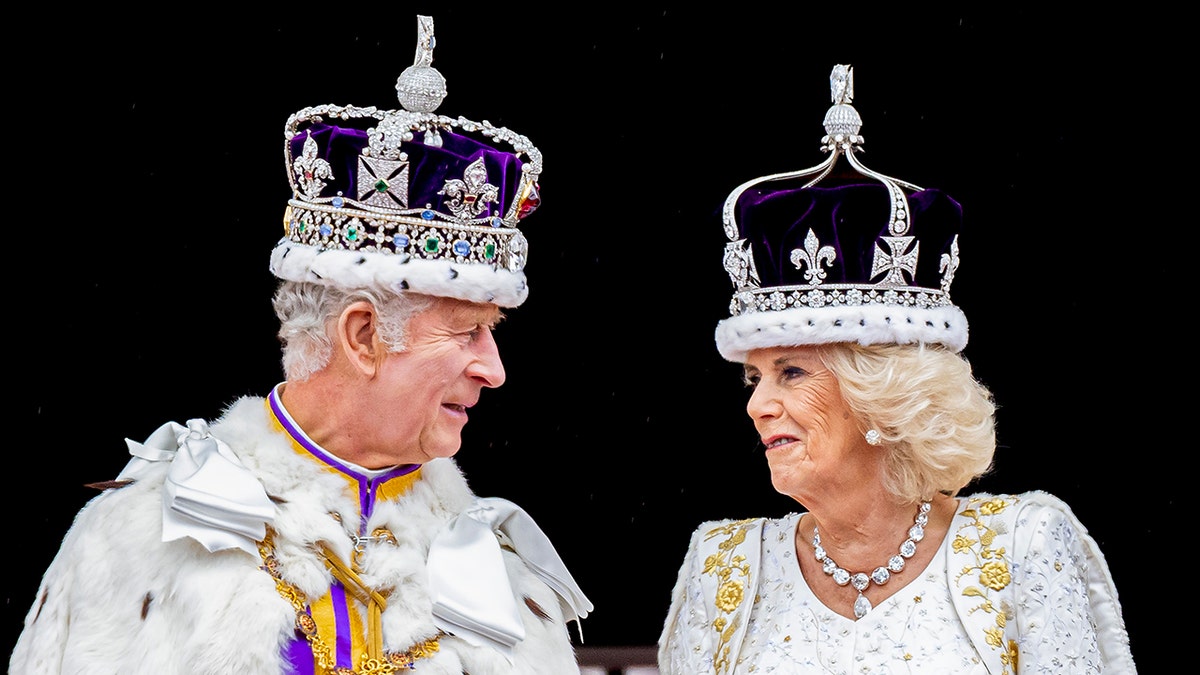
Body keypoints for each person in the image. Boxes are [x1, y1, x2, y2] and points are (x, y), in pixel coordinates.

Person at [10, 15, 591, 675]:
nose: (493, 368)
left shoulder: (503, 579)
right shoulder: (135, 541)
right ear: (363, 336)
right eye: (466, 332)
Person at [657, 64, 1135, 674]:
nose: (757, 404)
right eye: (755, 378)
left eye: (792, 372)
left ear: (885, 395)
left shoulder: (1020, 544)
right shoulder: (722, 564)